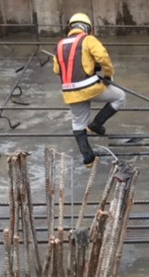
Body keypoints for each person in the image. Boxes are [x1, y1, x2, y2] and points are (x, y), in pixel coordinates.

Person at [52, 13, 127, 168]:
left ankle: (88, 159)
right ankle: (96, 125)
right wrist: (107, 75)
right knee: (120, 97)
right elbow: (102, 57)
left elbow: (56, 69)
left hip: (69, 92)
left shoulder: (59, 45)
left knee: (78, 123)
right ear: (87, 27)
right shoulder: (88, 39)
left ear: (71, 27)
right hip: (90, 87)